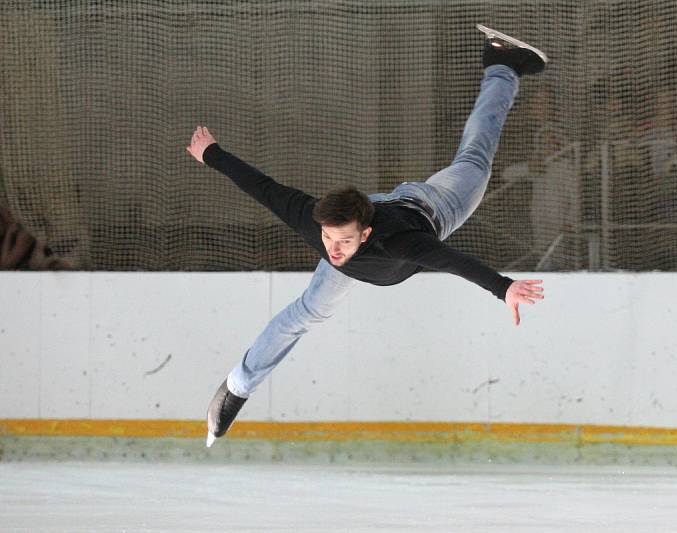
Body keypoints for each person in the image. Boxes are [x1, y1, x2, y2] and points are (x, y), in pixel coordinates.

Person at [186, 27, 547, 446]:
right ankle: (236, 386)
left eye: (343, 243)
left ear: (366, 234)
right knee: (305, 313)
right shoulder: (320, 225)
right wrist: (211, 153)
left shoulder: (402, 243)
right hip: (365, 210)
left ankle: (501, 62)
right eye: (328, 240)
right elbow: (264, 188)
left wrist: (503, 289)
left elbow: (454, 262)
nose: (333, 252)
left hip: (434, 206)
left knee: (476, 156)